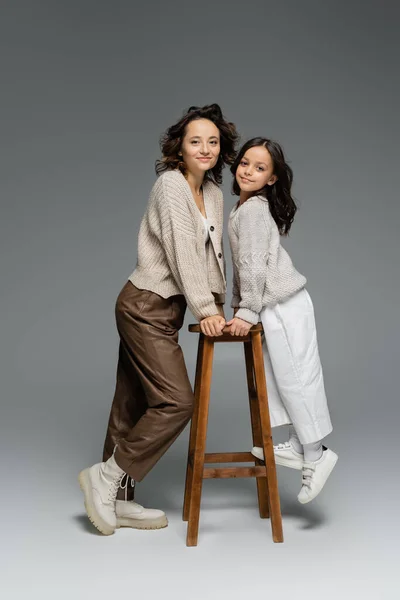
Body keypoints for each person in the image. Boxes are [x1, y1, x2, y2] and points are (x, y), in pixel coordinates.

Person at [79, 104, 238, 534]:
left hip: (167, 308)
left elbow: (212, 256)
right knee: (175, 401)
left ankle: (121, 499)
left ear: (221, 150)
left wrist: (218, 304)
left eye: (213, 141)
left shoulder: (214, 195)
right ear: (178, 149)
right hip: (144, 303)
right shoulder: (170, 185)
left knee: (130, 402)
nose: (204, 148)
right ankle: (107, 477)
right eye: (194, 141)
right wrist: (205, 310)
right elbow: (181, 252)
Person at [226, 137, 337, 504]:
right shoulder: (243, 209)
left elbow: (254, 265)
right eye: (245, 163)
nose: (249, 171)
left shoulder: (254, 210)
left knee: (297, 377)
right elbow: (247, 268)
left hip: (283, 304)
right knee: (277, 376)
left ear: (272, 179)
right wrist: (245, 305)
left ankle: (316, 454)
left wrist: (246, 310)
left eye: (260, 168)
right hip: (273, 305)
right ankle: (297, 445)